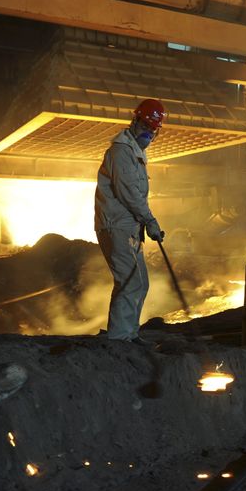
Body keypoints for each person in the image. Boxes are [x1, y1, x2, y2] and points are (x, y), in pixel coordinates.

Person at [94, 99, 166, 344]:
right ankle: (118, 340)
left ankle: (130, 334)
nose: (149, 132)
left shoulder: (136, 151)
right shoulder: (120, 152)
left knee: (140, 282)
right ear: (134, 121)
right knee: (129, 282)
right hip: (116, 226)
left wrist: (145, 222)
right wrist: (151, 220)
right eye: (146, 126)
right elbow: (128, 193)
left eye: (153, 128)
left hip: (129, 227)